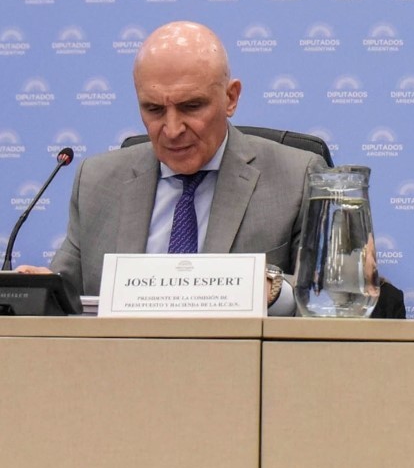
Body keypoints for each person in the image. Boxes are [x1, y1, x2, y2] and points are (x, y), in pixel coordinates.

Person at [18, 21, 324, 315]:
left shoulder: (297, 178)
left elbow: (326, 299)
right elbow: (68, 292)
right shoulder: (97, 182)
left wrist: (272, 290)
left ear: (230, 98)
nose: (173, 129)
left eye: (191, 106)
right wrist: (41, 289)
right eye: (154, 109)